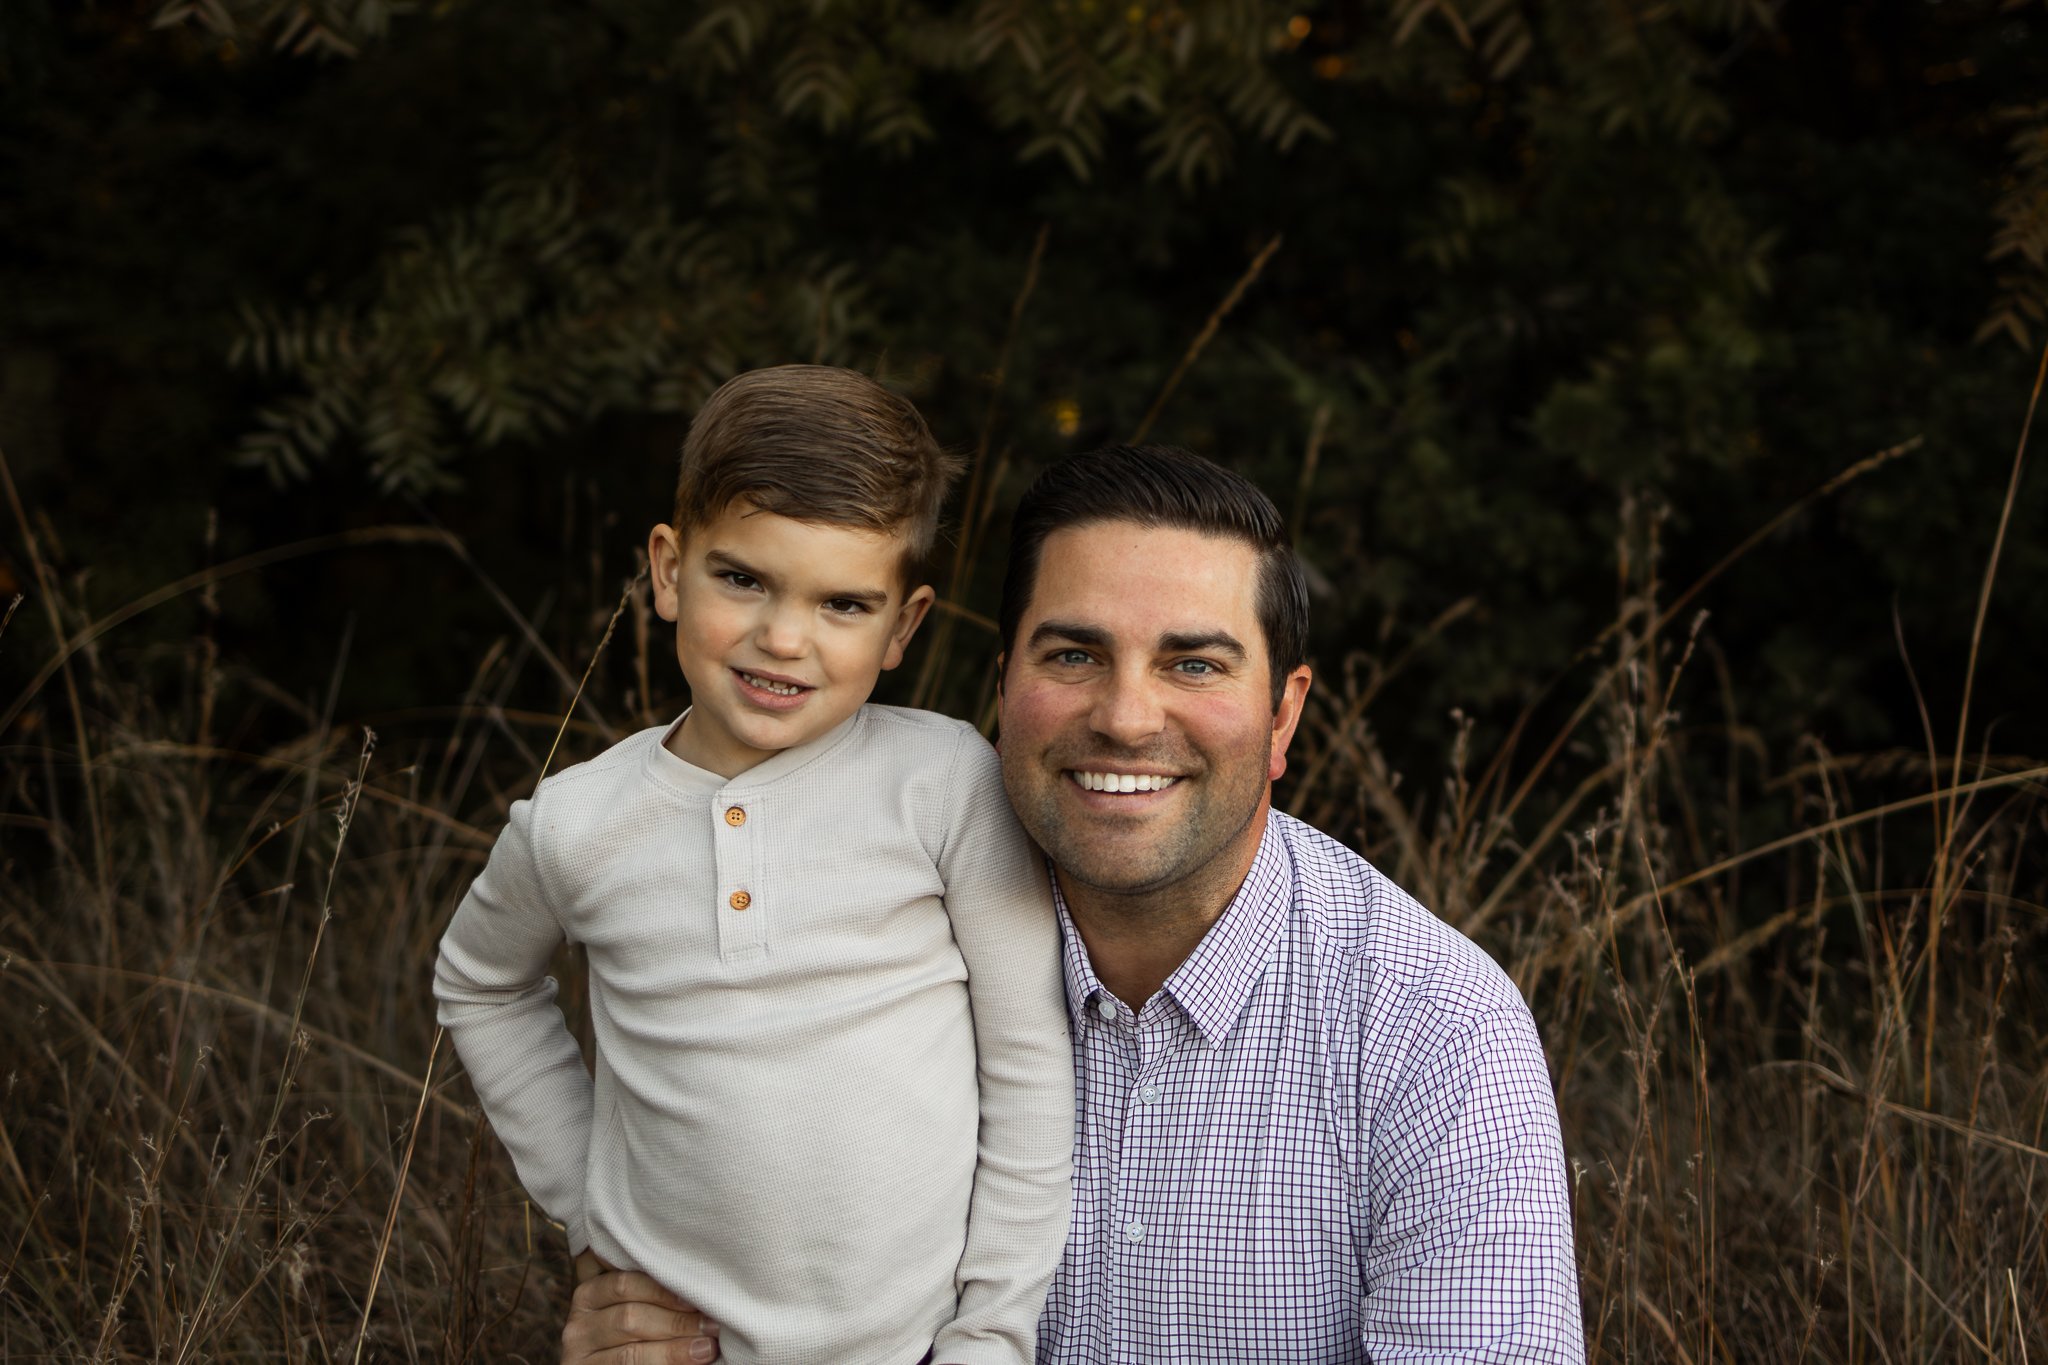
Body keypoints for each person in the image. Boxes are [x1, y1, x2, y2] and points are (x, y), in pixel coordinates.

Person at [561, 444, 1586, 1363]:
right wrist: (638, 1309)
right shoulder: (858, 947)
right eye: (1073, 655)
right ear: (1002, 687)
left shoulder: (1434, 1032)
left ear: (1283, 715)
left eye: (1194, 663)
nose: (1126, 717)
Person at [435, 365, 1074, 1365]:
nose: (783, 638)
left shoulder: (945, 782)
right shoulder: (577, 823)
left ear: (903, 626)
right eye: (742, 579)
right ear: (668, 569)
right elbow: (480, 984)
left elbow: (1029, 1070)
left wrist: (989, 1336)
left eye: (843, 604)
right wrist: (591, 1215)